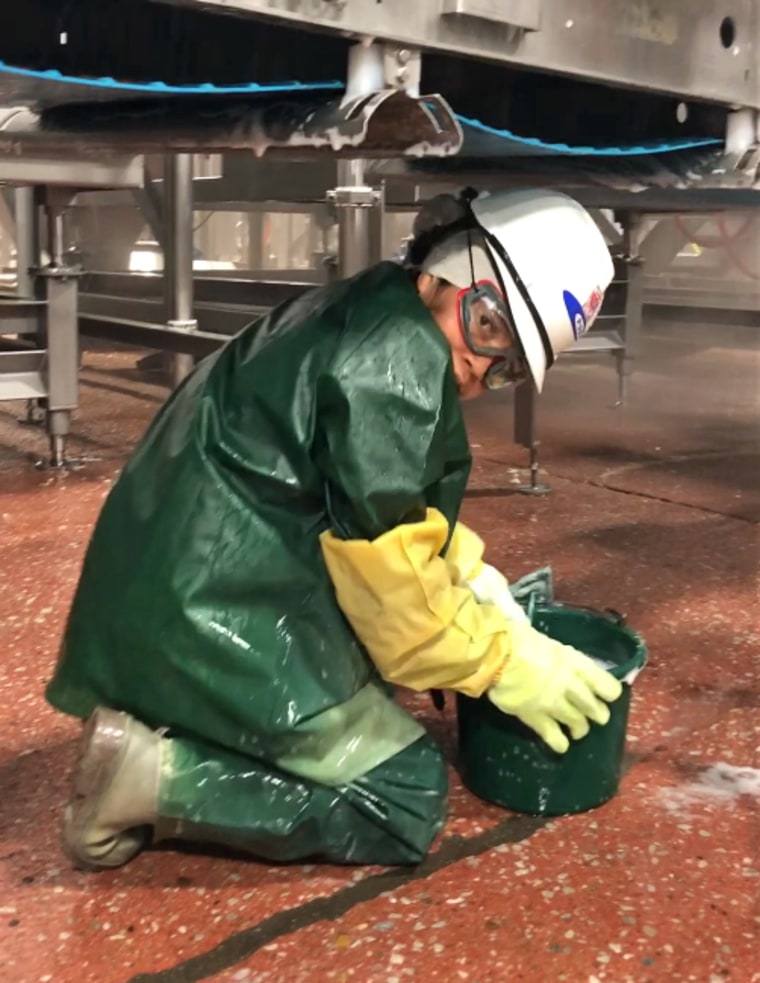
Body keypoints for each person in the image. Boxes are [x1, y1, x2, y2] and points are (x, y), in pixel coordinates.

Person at [46, 187, 623, 871]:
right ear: (443, 265)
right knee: (405, 792)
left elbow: (382, 504)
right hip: (210, 611)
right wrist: (503, 661)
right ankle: (151, 775)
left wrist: (471, 576)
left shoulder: (375, 308)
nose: (481, 366)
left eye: (508, 366)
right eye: (489, 325)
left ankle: (187, 725)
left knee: (374, 682)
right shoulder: (393, 366)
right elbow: (399, 604)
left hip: (174, 581)